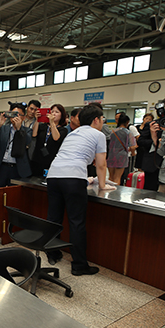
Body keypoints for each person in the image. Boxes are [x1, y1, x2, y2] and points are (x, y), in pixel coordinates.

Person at [45, 104, 116, 275]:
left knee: (54, 218)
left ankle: (52, 253)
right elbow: (101, 164)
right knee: (76, 222)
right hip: (73, 178)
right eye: (102, 119)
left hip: (53, 176)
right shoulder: (98, 135)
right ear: (96, 120)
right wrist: (103, 184)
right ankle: (79, 265)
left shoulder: (72, 134)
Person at [0, 102, 32, 188]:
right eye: (14, 114)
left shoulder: (27, 130)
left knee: (14, 195)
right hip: (2, 166)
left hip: (17, 168)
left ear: (23, 117)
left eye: (18, 114)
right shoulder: (4, 128)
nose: (15, 117)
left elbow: (27, 142)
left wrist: (19, 129)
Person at [30, 104, 68, 177]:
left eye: (57, 112)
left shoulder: (63, 130)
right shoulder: (43, 126)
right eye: (52, 111)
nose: (53, 113)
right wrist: (37, 120)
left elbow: (56, 138)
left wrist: (52, 123)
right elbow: (34, 134)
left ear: (61, 115)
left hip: (52, 161)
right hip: (37, 160)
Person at [107, 113, 137, 184]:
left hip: (111, 155)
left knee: (111, 177)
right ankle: (114, 193)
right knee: (117, 177)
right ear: (127, 122)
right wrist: (133, 153)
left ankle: (109, 192)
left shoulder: (112, 131)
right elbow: (133, 146)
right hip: (121, 156)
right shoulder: (128, 132)